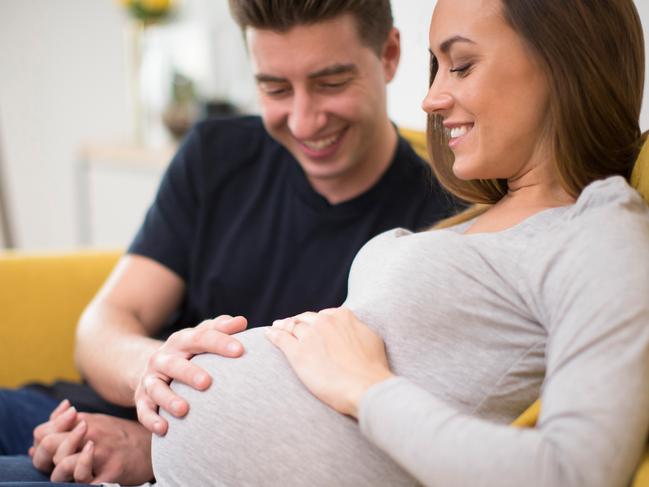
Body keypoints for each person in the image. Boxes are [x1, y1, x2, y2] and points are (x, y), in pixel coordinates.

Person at [145, 0, 649, 485]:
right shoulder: (482, 218)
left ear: (560, 62)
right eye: (437, 67)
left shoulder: (600, 233)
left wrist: (365, 389)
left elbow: (576, 472)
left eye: (462, 65)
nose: (430, 98)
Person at [0, 0, 459, 484]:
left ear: (388, 55)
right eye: (274, 88)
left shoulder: (442, 226)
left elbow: (370, 441)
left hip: (178, 466)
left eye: (330, 83)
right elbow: (102, 326)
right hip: (66, 413)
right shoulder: (216, 155)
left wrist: (160, 448)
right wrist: (151, 373)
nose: (303, 122)